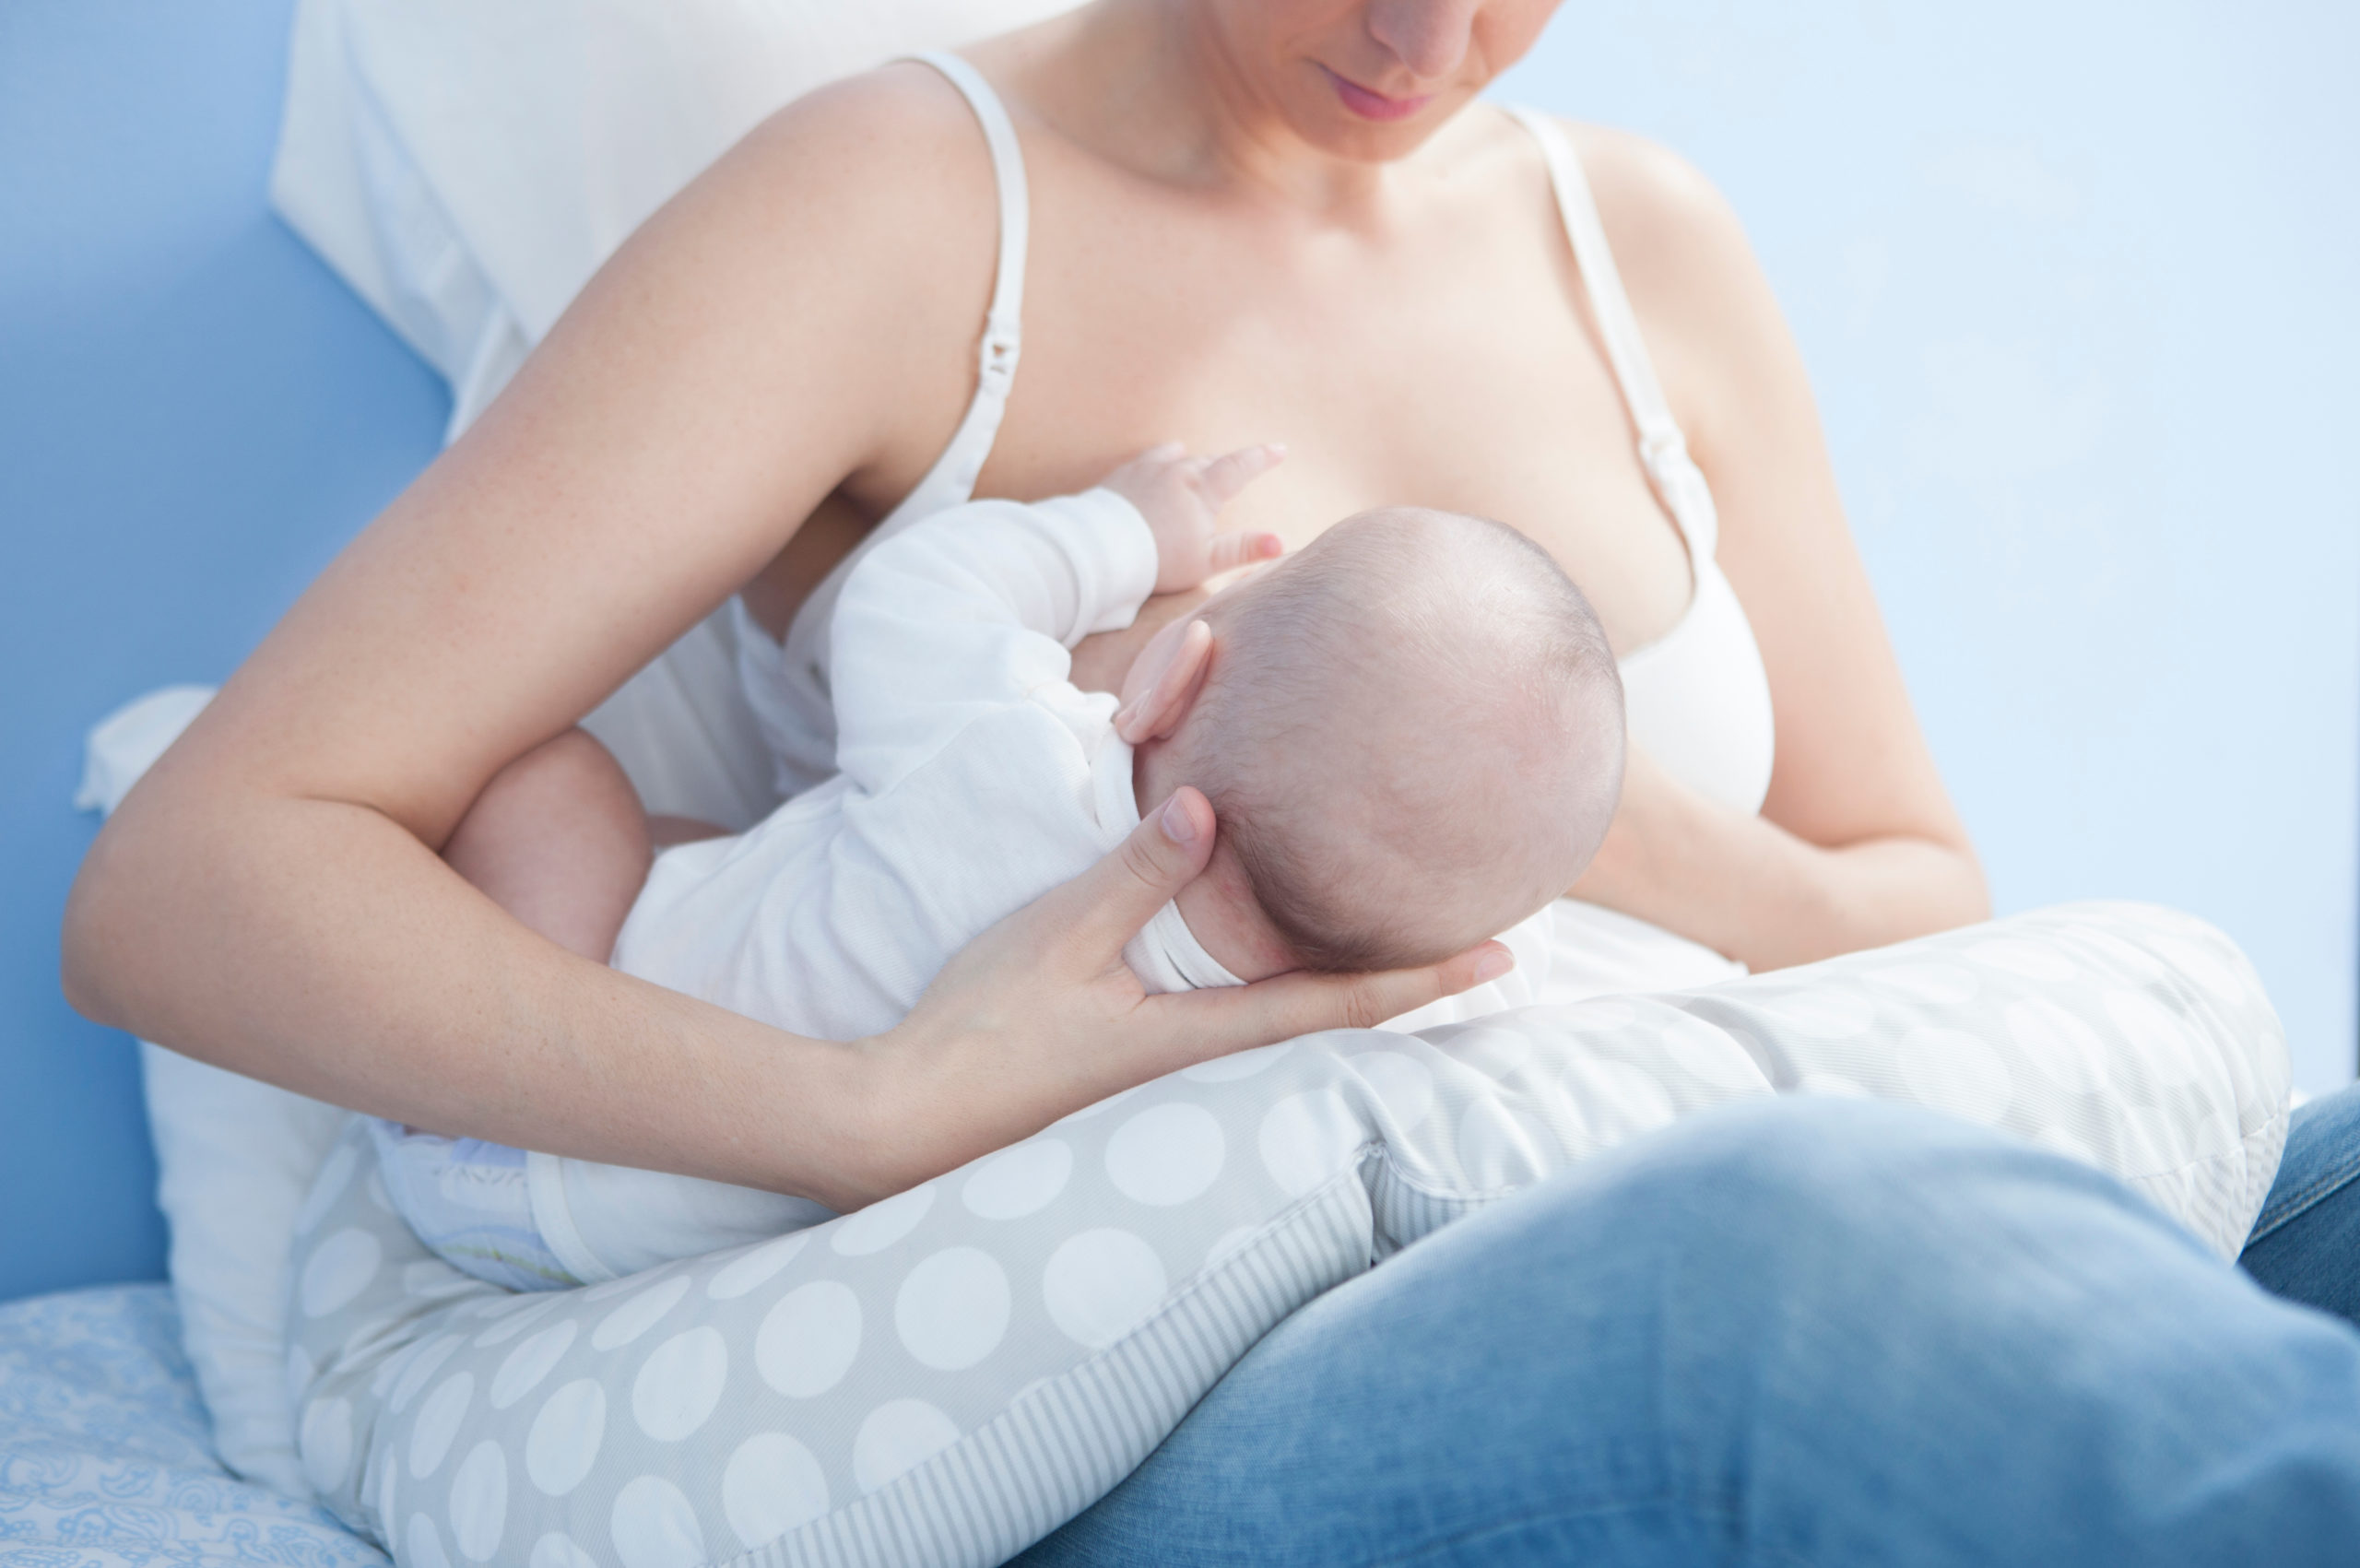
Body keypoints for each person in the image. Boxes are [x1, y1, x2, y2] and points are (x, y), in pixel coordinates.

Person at [62, 1, 2360, 1558]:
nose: (1420, 43)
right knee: (1793, 1260)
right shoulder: (903, 218)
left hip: (1613, 1108)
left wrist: (1532, 804)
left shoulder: (1634, 247)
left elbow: (1911, 891)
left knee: (2326, 1186)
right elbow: (189, 884)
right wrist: (856, 1112)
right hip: (1198, 1330)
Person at [377, 444, 1621, 1290]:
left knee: (561, 780)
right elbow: (1494, 963)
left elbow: (913, 588)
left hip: (515, 1136)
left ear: (1177, 670)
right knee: (729, 858)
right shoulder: (1302, 1048)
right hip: (655, 1259)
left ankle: (429, 1064)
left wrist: (1129, 529)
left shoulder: (1004, 741)